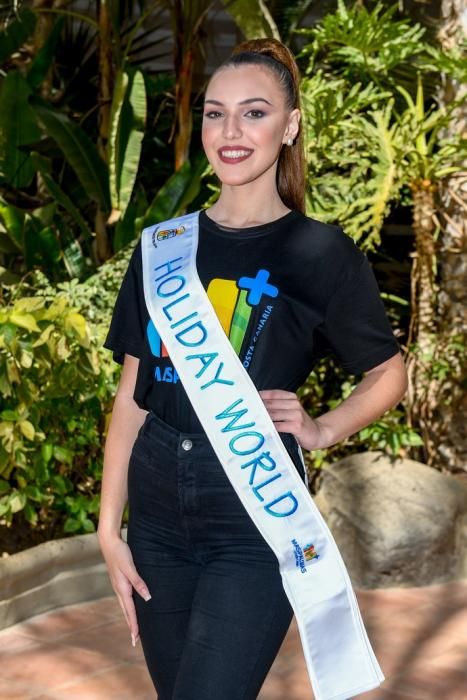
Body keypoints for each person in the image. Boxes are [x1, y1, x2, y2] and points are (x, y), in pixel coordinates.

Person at [97, 37, 408, 700]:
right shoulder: (163, 247)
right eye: (215, 113)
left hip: (251, 514)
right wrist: (107, 527)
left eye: (254, 113)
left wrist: (322, 429)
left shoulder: (321, 254)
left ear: (290, 124)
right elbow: (132, 395)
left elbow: (387, 373)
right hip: (155, 508)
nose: (230, 132)